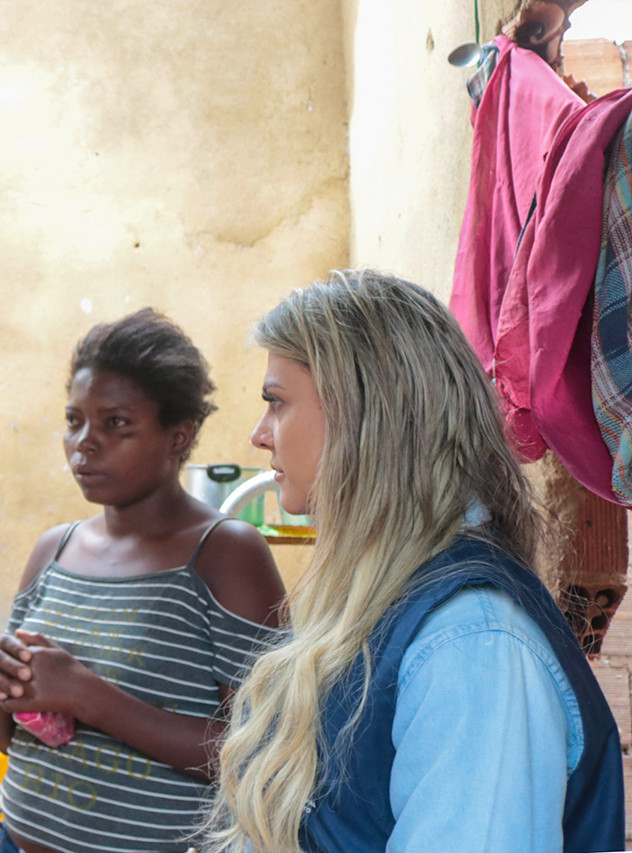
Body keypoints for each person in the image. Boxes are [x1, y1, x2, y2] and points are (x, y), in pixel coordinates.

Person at [198, 270, 624, 853]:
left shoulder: (472, 642)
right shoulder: (383, 596)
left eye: (276, 402)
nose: (259, 434)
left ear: (362, 414)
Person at [0, 308, 287, 853]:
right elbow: (8, 738)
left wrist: (86, 695)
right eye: (74, 421)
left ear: (177, 436)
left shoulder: (224, 554)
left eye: (116, 423)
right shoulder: (55, 549)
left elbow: (266, 751)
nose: (85, 443)